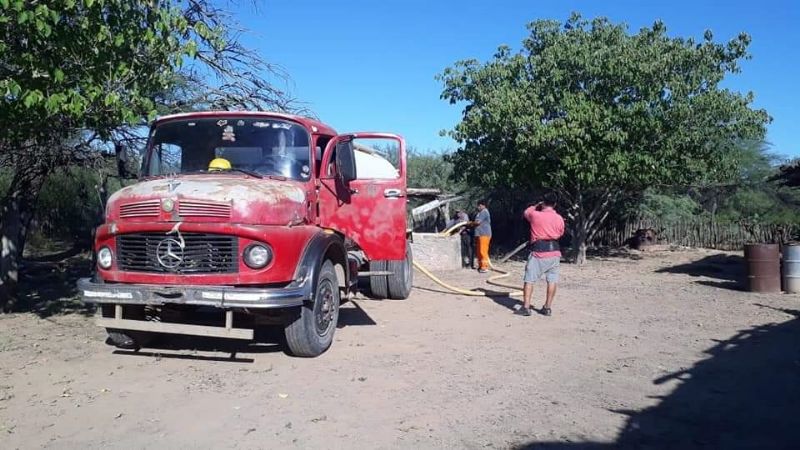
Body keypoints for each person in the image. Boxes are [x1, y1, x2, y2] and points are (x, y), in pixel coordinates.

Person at [517, 192, 565, 317]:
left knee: (529, 280)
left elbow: (526, 212)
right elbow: (561, 233)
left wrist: (536, 205)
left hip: (538, 252)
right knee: (552, 280)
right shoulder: (559, 218)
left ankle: (526, 307)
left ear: (543, 202)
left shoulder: (535, 215)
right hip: (554, 252)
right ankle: (547, 307)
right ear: (555, 204)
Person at [473, 200, 492, 273]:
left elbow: (478, 222)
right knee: (479, 251)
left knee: (483, 251)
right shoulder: (480, 213)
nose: (478, 207)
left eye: (479, 206)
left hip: (484, 234)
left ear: (483, 205)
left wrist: (470, 223)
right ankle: (480, 265)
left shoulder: (484, 212)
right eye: (478, 206)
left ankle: (484, 267)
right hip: (479, 234)